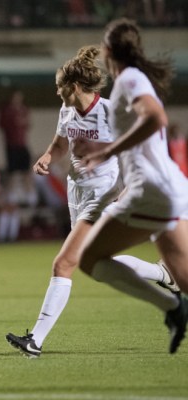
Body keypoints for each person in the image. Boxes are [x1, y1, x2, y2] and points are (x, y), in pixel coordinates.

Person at [5, 45, 180, 358]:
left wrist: (126, 188)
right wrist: (47, 156)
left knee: (64, 263)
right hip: (77, 190)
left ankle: (35, 341)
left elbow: (135, 152)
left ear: (73, 87)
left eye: (60, 87)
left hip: (103, 192)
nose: (57, 92)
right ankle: (162, 275)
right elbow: (60, 143)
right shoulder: (67, 110)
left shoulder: (111, 113)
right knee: (93, 260)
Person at [78, 18, 188, 354]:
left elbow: (155, 117)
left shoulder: (127, 80)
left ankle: (172, 308)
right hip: (171, 188)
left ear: (108, 50)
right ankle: (176, 305)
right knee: (184, 278)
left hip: (152, 191)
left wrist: (107, 151)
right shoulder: (136, 79)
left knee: (90, 259)